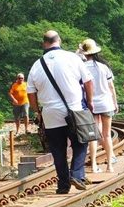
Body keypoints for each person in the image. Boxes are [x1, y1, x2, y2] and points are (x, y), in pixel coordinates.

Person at [27, 30, 93, 194]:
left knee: (58, 150)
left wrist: (37, 112)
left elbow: (30, 93)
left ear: (44, 43)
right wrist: (90, 102)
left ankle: (63, 185)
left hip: (50, 114)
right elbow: (88, 81)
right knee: (80, 143)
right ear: (59, 41)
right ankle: (76, 174)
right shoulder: (72, 58)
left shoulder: (37, 65)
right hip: (74, 109)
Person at [79, 39, 118, 173]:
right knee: (106, 135)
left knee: (93, 136)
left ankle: (94, 165)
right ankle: (110, 165)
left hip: (91, 105)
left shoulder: (82, 67)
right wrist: (115, 102)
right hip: (106, 103)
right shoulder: (104, 67)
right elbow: (111, 87)